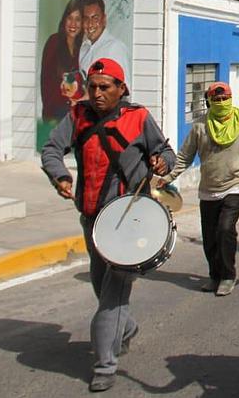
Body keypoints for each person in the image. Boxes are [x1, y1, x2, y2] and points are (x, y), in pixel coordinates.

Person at [40, 58, 174, 393]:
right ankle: (125, 329)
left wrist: (162, 161)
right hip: (92, 218)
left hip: (130, 221)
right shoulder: (77, 116)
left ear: (121, 88)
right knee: (101, 286)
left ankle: (104, 365)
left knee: (113, 295)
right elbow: (52, 149)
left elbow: (166, 152)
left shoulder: (138, 117)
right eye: (93, 87)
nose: (97, 93)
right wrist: (60, 175)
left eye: (105, 87)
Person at [166, 82, 239, 297]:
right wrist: (167, 178)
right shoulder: (200, 126)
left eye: (224, 99)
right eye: (216, 100)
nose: (220, 103)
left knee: (225, 229)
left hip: (234, 186)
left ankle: (228, 275)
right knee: (210, 237)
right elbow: (184, 157)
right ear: (209, 101)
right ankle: (214, 275)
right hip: (208, 189)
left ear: (231, 99)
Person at [40, 0, 84, 121]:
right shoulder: (54, 42)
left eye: (78, 19)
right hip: (56, 113)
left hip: (78, 112)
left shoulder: (84, 46)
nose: (73, 24)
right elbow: (45, 82)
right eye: (70, 18)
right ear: (64, 19)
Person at [78, 0, 131, 84]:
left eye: (95, 18)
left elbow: (124, 88)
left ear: (104, 19)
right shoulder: (84, 48)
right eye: (86, 19)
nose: (90, 24)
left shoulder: (115, 48)